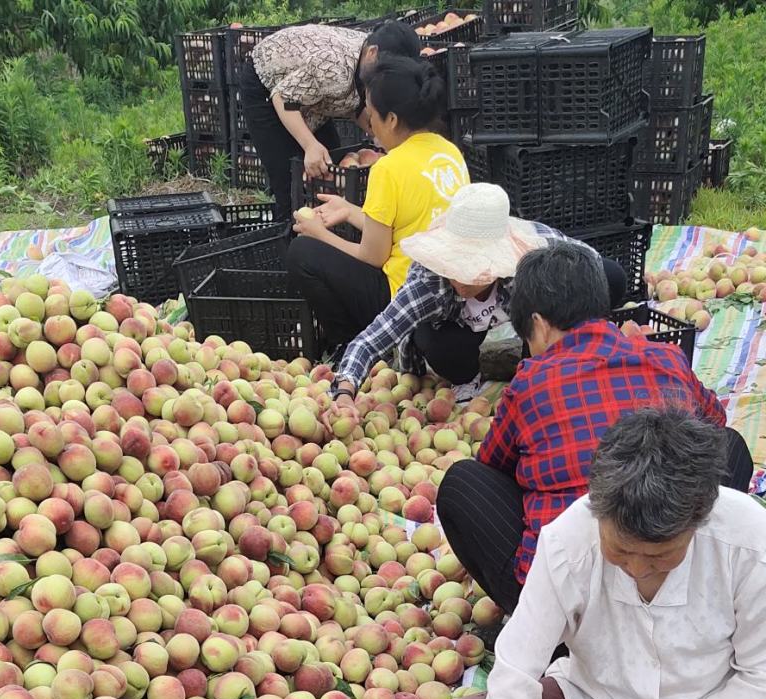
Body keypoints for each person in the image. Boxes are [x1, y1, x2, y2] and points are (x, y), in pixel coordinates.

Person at [438, 409, 766, 699]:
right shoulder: (568, 542)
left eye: (660, 557)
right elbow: (513, 675)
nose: (638, 569)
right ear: (600, 510)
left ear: (698, 522)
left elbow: (759, 674)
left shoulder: (747, 540)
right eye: (621, 550)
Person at [436, 242, 754, 617]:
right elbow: (716, 424)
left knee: (464, 483)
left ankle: (550, 634)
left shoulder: (531, 383)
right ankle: (689, 592)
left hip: (573, 606)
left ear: (537, 324)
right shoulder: (666, 359)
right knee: (728, 445)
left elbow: (492, 468)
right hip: (669, 571)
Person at [329, 183, 629, 407]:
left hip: (528, 316)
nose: (461, 279)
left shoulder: (532, 256)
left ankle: (553, 362)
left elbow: (590, 264)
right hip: (454, 331)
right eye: (456, 266)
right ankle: (469, 375)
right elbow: (373, 338)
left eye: (472, 270)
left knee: (610, 277)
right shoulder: (430, 282)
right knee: (436, 344)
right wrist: (344, 390)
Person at [287, 55, 469, 354]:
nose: (369, 124)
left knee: (302, 253)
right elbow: (407, 222)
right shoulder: (448, 152)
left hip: (405, 300)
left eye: (371, 115)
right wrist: (349, 211)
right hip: (448, 294)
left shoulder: (388, 168)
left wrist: (318, 233)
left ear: (393, 119)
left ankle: (353, 344)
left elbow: (372, 255)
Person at [239, 19, 421, 223]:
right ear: (372, 53)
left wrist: (387, 139)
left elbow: (356, 104)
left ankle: (327, 233)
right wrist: (309, 145)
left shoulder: (369, 60)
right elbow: (283, 97)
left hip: (311, 93)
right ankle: (287, 241)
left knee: (332, 170)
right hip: (267, 85)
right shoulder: (336, 68)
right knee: (289, 179)